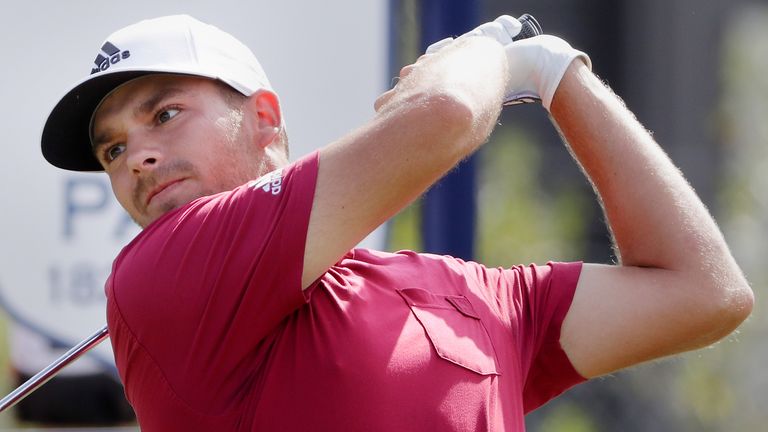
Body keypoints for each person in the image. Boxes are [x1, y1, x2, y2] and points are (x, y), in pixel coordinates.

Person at [39, 14, 752, 431]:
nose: (138, 156)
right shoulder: (162, 276)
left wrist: (558, 72)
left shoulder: (464, 291)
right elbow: (446, 114)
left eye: (164, 114)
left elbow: (704, 293)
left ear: (265, 123)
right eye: (114, 148)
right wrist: (481, 55)